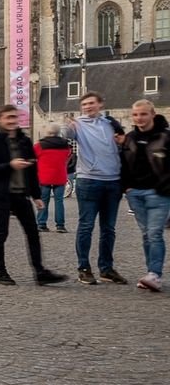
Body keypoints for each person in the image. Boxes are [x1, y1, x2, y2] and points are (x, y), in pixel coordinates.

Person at [0, 104, 66, 287]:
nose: (11, 121)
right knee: (1, 232)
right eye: (8, 117)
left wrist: (36, 195)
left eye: (14, 117)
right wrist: (9, 165)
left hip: (20, 194)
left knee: (33, 232)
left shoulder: (24, 141)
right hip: (0, 194)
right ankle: (0, 272)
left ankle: (40, 272)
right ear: (0, 120)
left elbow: (32, 169)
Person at [62, 91, 127, 285]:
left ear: (100, 104)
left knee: (109, 229)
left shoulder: (110, 123)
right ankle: (83, 268)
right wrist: (67, 127)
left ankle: (106, 268)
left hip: (113, 181)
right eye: (84, 104)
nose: (88, 107)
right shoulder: (78, 125)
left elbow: (122, 145)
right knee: (86, 226)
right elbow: (66, 135)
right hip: (89, 180)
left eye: (91, 103)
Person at [120, 101, 169, 292]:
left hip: (159, 193)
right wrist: (126, 187)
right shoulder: (130, 138)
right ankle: (151, 272)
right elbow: (123, 163)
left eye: (143, 114)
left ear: (153, 114)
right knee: (147, 235)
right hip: (136, 193)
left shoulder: (165, 137)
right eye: (135, 115)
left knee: (155, 233)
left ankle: (155, 274)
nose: (139, 118)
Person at [35, 123, 71, 232]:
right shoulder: (66, 145)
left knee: (44, 201)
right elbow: (67, 157)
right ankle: (60, 225)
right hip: (59, 176)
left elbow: (33, 158)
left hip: (44, 177)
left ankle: (41, 224)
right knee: (59, 201)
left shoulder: (39, 146)